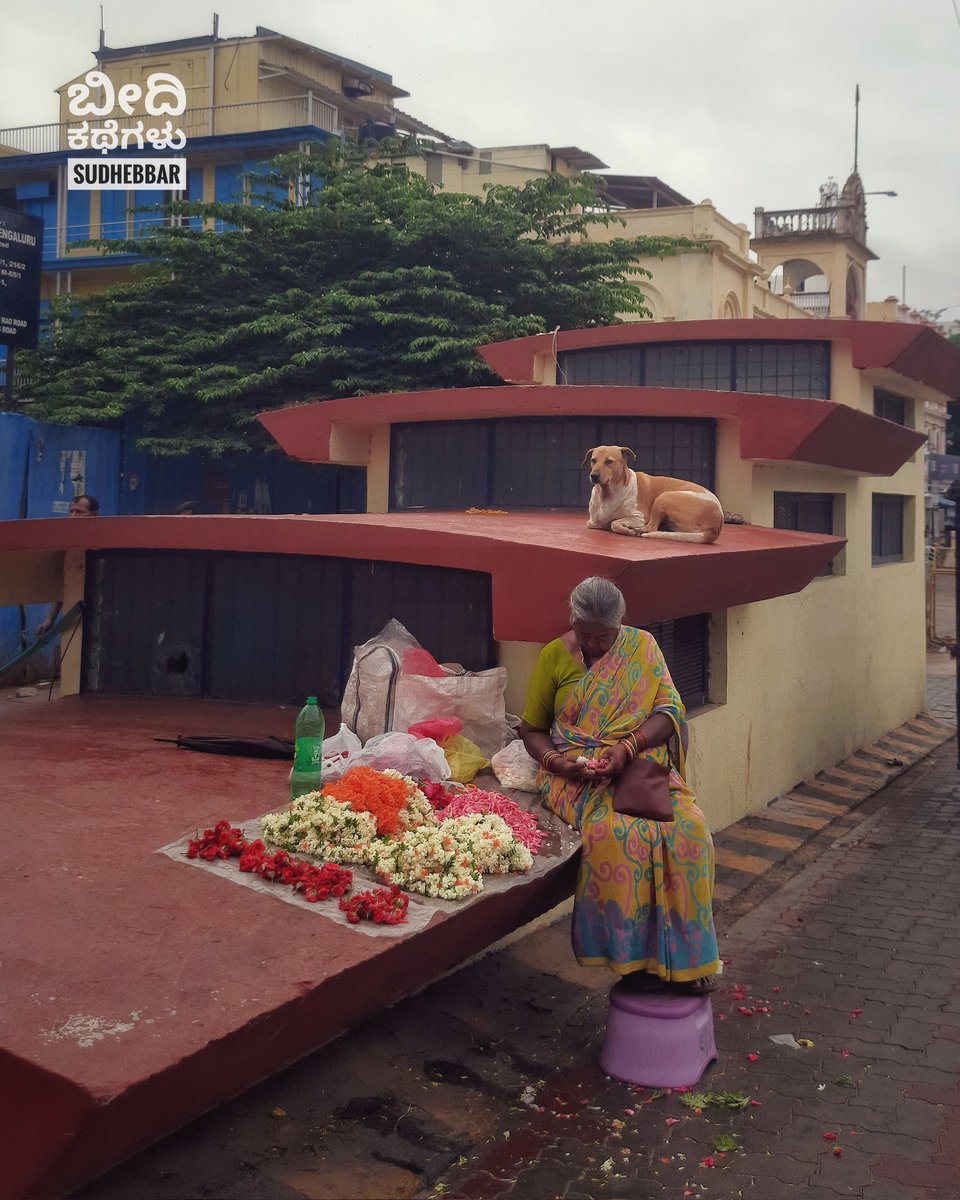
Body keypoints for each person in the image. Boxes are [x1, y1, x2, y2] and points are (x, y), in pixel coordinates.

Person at [519, 575, 719, 993]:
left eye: (604, 637)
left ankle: (687, 960)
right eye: (585, 634)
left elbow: (669, 710)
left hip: (640, 767)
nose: (594, 645)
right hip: (577, 778)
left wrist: (628, 747)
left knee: (690, 830)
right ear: (572, 621)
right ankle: (631, 961)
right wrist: (560, 762)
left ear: (621, 625)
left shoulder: (642, 647)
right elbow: (532, 729)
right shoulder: (554, 656)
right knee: (614, 835)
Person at [36, 494, 99, 636]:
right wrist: (50, 619)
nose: (73, 516)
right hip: (76, 612)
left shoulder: (103, 542)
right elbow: (65, 583)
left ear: (93, 515)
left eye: (79, 512)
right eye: (71, 511)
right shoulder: (69, 545)